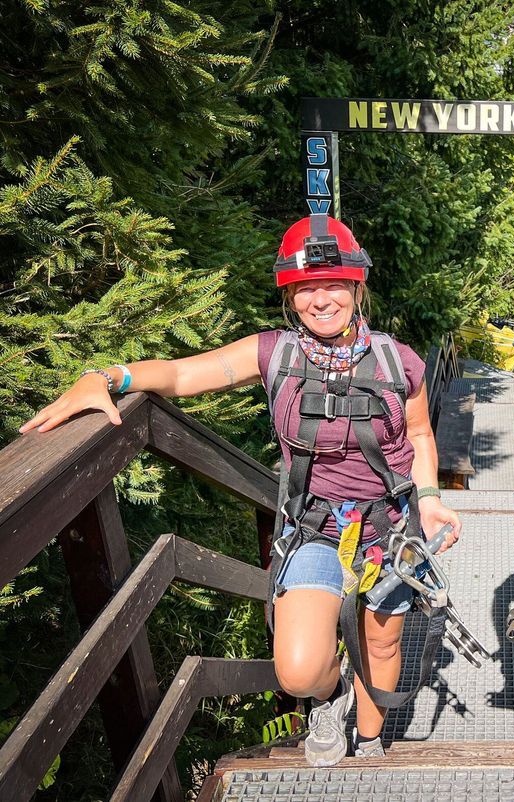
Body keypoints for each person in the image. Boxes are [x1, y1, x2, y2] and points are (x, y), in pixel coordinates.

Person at [20, 213, 461, 767]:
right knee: (298, 670)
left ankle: (370, 744)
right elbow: (181, 376)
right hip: (316, 527)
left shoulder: (400, 361)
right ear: (290, 296)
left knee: (382, 643)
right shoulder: (273, 353)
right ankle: (331, 699)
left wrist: (428, 497)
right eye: (305, 288)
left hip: (392, 528)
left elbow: (419, 434)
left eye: (332, 284)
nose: (320, 299)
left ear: (356, 286)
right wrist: (108, 377)